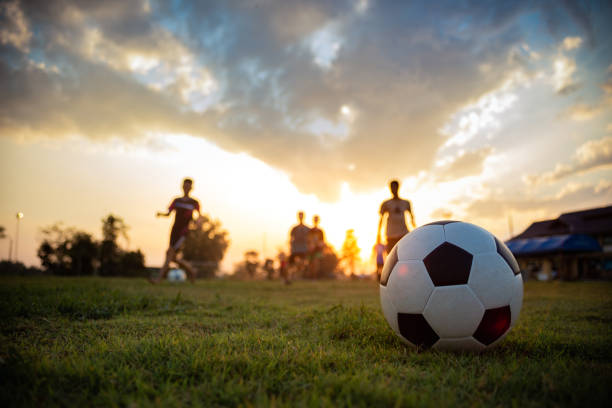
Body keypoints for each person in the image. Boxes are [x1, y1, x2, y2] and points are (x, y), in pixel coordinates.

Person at [149, 178, 200, 284]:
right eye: (185, 186)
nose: (186, 188)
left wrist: (197, 222)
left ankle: (158, 279)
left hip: (183, 232)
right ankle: (192, 270)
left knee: (169, 253)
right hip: (174, 230)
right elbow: (168, 213)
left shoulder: (194, 203)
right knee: (173, 258)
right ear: (182, 186)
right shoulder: (176, 201)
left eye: (188, 186)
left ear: (191, 188)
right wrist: (161, 214)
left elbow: (199, 216)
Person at [377, 179, 416, 253]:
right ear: (390, 189)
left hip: (404, 234)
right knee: (391, 258)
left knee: (406, 255)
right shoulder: (386, 203)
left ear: (398, 187)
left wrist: (416, 232)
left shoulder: (406, 202)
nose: (393, 189)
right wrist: (378, 235)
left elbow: (412, 219)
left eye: (395, 187)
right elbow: (381, 220)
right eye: (392, 187)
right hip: (391, 235)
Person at [289, 211, 310, 276]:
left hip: (304, 249)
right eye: (299, 216)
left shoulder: (308, 229)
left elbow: (310, 240)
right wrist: (291, 247)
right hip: (295, 249)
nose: (300, 217)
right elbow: (291, 239)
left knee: (303, 262)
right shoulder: (294, 228)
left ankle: (301, 274)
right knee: (291, 263)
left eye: (302, 216)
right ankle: (292, 275)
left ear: (303, 217)